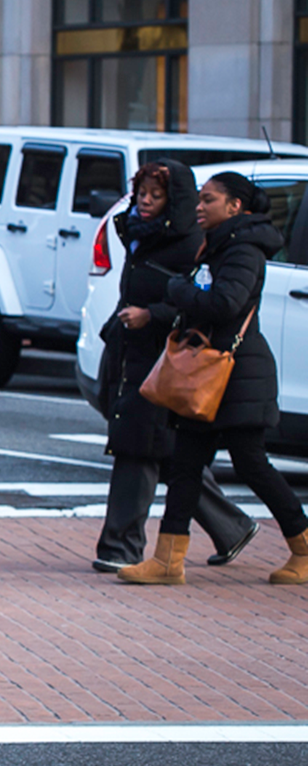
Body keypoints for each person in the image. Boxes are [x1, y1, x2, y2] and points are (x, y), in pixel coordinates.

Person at [120, 172, 308, 586]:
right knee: (185, 465)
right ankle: (168, 560)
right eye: (199, 200)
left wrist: (177, 290)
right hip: (210, 376)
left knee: (252, 464)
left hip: (237, 377)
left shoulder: (243, 250)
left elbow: (225, 303)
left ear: (235, 207)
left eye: (209, 200)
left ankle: (304, 546)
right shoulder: (217, 246)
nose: (199, 207)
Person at [91, 161, 257, 573]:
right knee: (164, 452)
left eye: (156, 195)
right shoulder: (138, 235)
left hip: (165, 355)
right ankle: (232, 526)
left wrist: (153, 314)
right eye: (141, 193)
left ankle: (121, 547)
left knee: (140, 445)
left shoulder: (191, 245)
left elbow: (203, 301)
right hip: (132, 351)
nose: (145, 202)